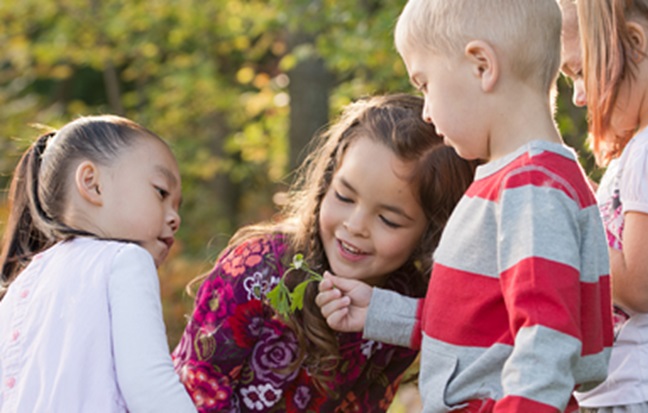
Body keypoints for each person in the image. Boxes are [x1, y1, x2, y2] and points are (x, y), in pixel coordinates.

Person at [316, 1, 614, 412]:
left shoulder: (531, 189)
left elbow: (548, 338)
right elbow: (487, 329)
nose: (426, 112)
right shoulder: (521, 178)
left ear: (481, 66)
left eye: (425, 85)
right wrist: (383, 312)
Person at [171, 94, 477, 412]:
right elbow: (197, 390)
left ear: (432, 233)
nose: (355, 225)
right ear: (326, 184)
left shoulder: (402, 305)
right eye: (344, 197)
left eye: (388, 220)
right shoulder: (256, 270)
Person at [0, 115, 196, 413]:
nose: (174, 218)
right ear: (92, 184)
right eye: (161, 192)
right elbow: (148, 385)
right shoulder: (125, 261)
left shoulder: (23, 282)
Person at [572, 1, 648, 412]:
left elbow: (641, 286)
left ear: (635, 44)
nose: (578, 96)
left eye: (582, 72)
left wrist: (569, 236)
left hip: (644, 387)